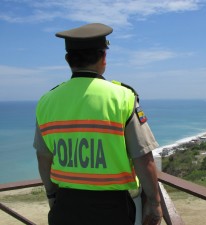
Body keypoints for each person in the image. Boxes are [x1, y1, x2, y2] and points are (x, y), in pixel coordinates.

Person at [33, 23, 162, 225]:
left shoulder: (46, 101)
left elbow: (43, 158)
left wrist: (52, 196)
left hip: (65, 206)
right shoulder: (123, 97)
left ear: (68, 59)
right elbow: (143, 158)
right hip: (111, 209)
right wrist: (154, 203)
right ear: (104, 58)